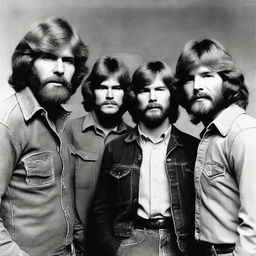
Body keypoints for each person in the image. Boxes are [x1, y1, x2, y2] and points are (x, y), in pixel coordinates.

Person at [90, 61, 199, 256]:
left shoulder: (193, 147)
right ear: (134, 98)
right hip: (132, 242)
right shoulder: (115, 148)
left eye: (160, 89)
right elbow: (101, 209)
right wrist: (114, 250)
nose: (153, 97)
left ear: (172, 96)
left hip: (183, 245)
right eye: (145, 91)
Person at [0, 17, 88, 256]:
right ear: (28, 63)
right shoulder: (8, 123)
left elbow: (60, 198)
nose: (59, 69)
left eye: (68, 60)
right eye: (48, 57)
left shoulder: (60, 120)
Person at [174, 38, 256, 256]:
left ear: (226, 81)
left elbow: (255, 227)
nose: (197, 86)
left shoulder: (243, 134)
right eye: (189, 79)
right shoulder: (209, 137)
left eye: (207, 75)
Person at [65, 56, 132, 254]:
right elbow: (59, 189)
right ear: (91, 91)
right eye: (103, 87)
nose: (110, 95)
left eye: (117, 88)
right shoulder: (68, 131)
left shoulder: (133, 138)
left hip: (117, 246)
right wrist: (76, 234)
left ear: (126, 94)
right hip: (74, 244)